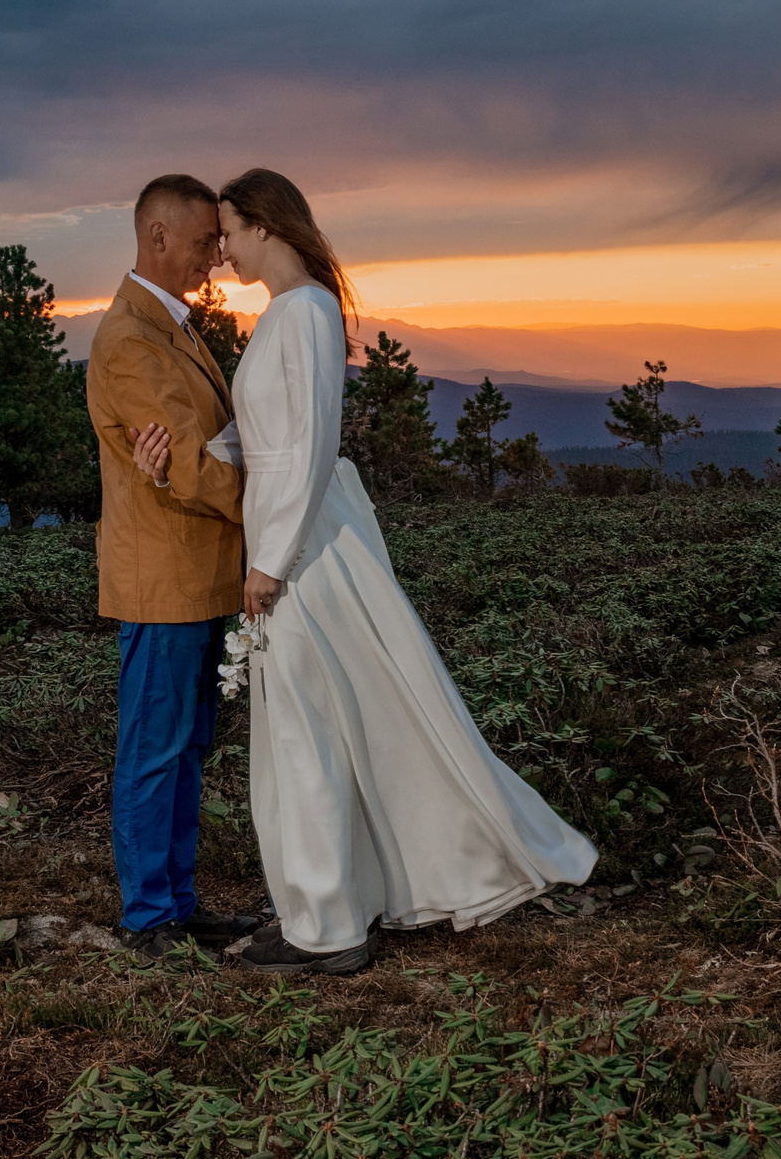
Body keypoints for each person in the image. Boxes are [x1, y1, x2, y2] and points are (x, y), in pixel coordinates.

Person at [128, 168, 596, 975]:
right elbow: (259, 435)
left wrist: (271, 564)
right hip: (286, 538)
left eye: (231, 232)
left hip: (300, 548)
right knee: (314, 727)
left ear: (267, 228)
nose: (223, 249)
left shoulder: (306, 311)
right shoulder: (283, 314)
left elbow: (309, 447)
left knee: (306, 730)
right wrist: (178, 463)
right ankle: (326, 904)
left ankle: (327, 925)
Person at [84, 174, 264, 961]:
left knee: (186, 746)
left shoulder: (173, 327)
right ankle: (148, 918)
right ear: (156, 236)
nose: (215, 258)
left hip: (195, 574)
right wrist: (278, 505)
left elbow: (192, 453)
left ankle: (178, 903)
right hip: (162, 581)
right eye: (202, 242)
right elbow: (188, 464)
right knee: (154, 749)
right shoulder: (130, 339)